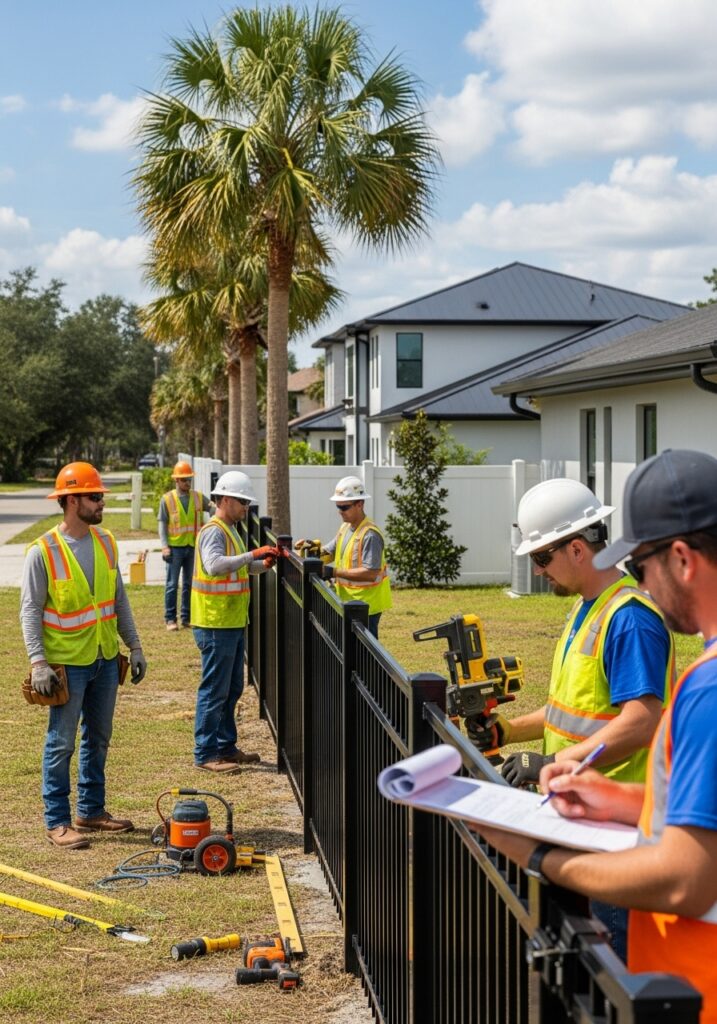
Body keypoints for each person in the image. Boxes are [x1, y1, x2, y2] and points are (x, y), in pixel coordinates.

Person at [471, 449, 717, 1022]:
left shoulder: (685, 667)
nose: (641, 580)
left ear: (682, 558)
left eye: (642, 562)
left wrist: (541, 856)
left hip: (691, 983)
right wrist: (620, 799)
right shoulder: (597, 614)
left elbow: (687, 880)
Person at [472, 478, 673, 960]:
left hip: (617, 830)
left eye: (543, 558)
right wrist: (508, 731)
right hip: (581, 815)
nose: (538, 570)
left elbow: (643, 720)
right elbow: (568, 709)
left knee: (612, 963)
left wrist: (556, 762)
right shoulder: (587, 610)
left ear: (578, 549)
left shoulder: (629, 619)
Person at [20, 462, 147, 850]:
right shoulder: (43, 551)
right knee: (61, 743)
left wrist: (135, 646)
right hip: (67, 665)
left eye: (101, 496)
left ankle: (91, 810)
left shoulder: (106, 542)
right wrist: (38, 663)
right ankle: (57, 821)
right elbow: (30, 610)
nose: (101, 502)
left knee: (99, 737)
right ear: (72, 501)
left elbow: (118, 600)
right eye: (95, 496)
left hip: (105, 658)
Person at [190, 470, 278, 773]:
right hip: (215, 623)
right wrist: (252, 554)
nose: (246, 508)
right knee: (215, 690)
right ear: (225, 499)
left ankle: (225, 746)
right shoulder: (214, 531)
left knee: (231, 688)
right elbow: (215, 566)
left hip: (230, 621)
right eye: (242, 502)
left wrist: (262, 564)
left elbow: (238, 568)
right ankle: (205, 753)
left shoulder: (230, 529)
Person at [294, 475, 392, 639]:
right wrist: (312, 551)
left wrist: (333, 572)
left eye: (344, 507)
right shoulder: (345, 528)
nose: (340, 511)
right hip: (349, 602)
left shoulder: (370, 535)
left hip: (366, 607)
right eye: (338, 506)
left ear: (360, 504)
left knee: (363, 651)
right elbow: (331, 552)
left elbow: (370, 573)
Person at [158, 460, 213, 631]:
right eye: (184, 480)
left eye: (189, 479)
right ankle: (170, 619)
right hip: (174, 549)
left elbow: (213, 508)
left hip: (192, 548)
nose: (187, 483)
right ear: (176, 480)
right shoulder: (167, 499)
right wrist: (164, 546)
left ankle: (186, 618)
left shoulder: (198, 498)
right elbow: (162, 524)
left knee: (189, 584)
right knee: (172, 585)